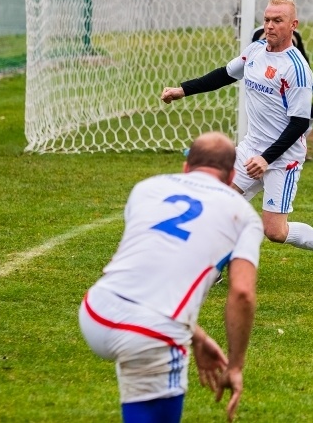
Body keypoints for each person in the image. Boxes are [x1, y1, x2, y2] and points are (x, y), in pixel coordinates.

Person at [162, 0, 313, 285]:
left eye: (277, 20)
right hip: (251, 150)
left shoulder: (296, 68)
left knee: (275, 232)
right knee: (218, 203)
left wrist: (267, 159)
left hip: (282, 159)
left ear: (293, 25)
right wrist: (182, 90)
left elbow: (299, 123)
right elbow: (224, 75)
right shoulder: (255, 51)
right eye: (266, 20)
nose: (270, 26)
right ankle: (213, 269)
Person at [78, 132, 263, 423]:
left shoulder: (146, 188)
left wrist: (197, 336)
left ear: (185, 167)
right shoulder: (243, 215)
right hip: (150, 332)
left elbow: (150, 266)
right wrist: (236, 365)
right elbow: (242, 292)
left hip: (95, 310)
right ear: (232, 177)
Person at [251, 25, 313, 138]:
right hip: (264, 86)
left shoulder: (296, 37)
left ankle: (296, 145)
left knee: (310, 113)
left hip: (287, 83)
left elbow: (305, 65)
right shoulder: (257, 37)